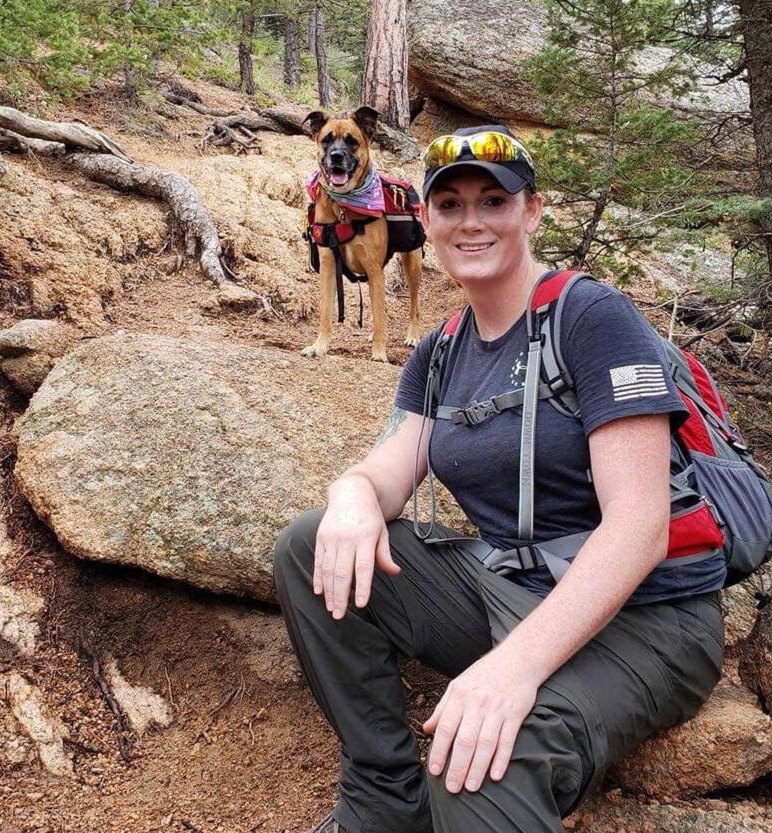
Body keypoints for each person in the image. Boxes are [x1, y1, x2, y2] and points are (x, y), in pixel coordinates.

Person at [274, 125, 725, 833]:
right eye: (450, 205)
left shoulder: (591, 318)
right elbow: (385, 469)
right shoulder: (442, 351)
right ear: (425, 220)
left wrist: (509, 671)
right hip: (509, 587)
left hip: (648, 615)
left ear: (532, 211)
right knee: (307, 546)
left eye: (494, 199)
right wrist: (353, 497)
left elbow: (640, 526)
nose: (472, 220)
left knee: (477, 764)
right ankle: (383, 798)